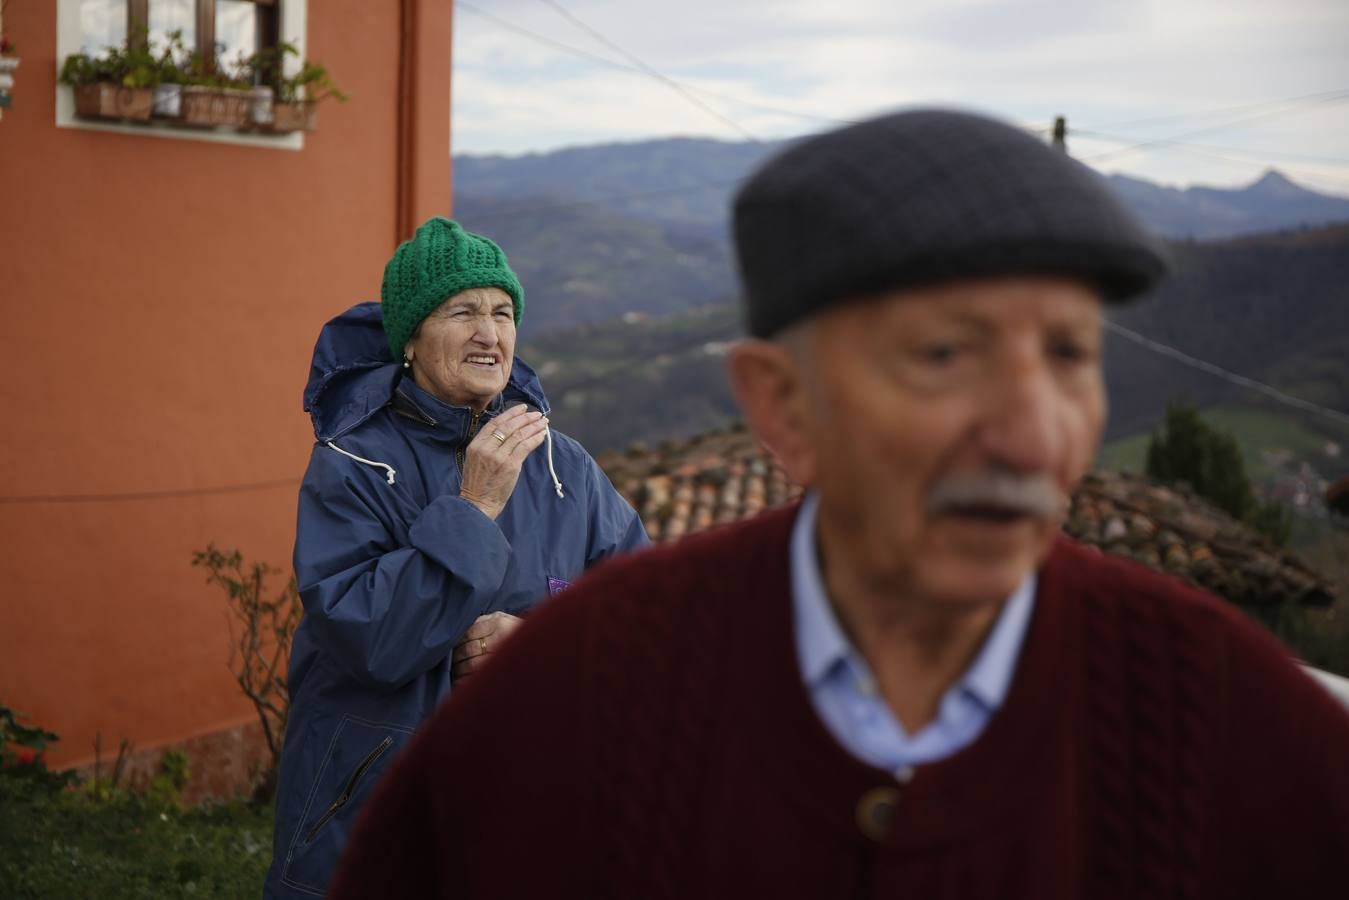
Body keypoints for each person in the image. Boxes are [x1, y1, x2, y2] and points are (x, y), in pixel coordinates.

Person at [329, 111, 1349, 898]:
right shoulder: (564, 699)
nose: (1032, 432)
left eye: (1069, 355)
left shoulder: (1240, 724)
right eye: (943, 355)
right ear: (782, 404)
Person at [263, 217, 648, 898]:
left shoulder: (563, 466)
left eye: (502, 313)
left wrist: (539, 643)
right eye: (462, 312)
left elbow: (642, 616)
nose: (489, 334)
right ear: (410, 340)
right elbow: (369, 639)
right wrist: (473, 507)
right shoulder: (352, 463)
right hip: (376, 812)